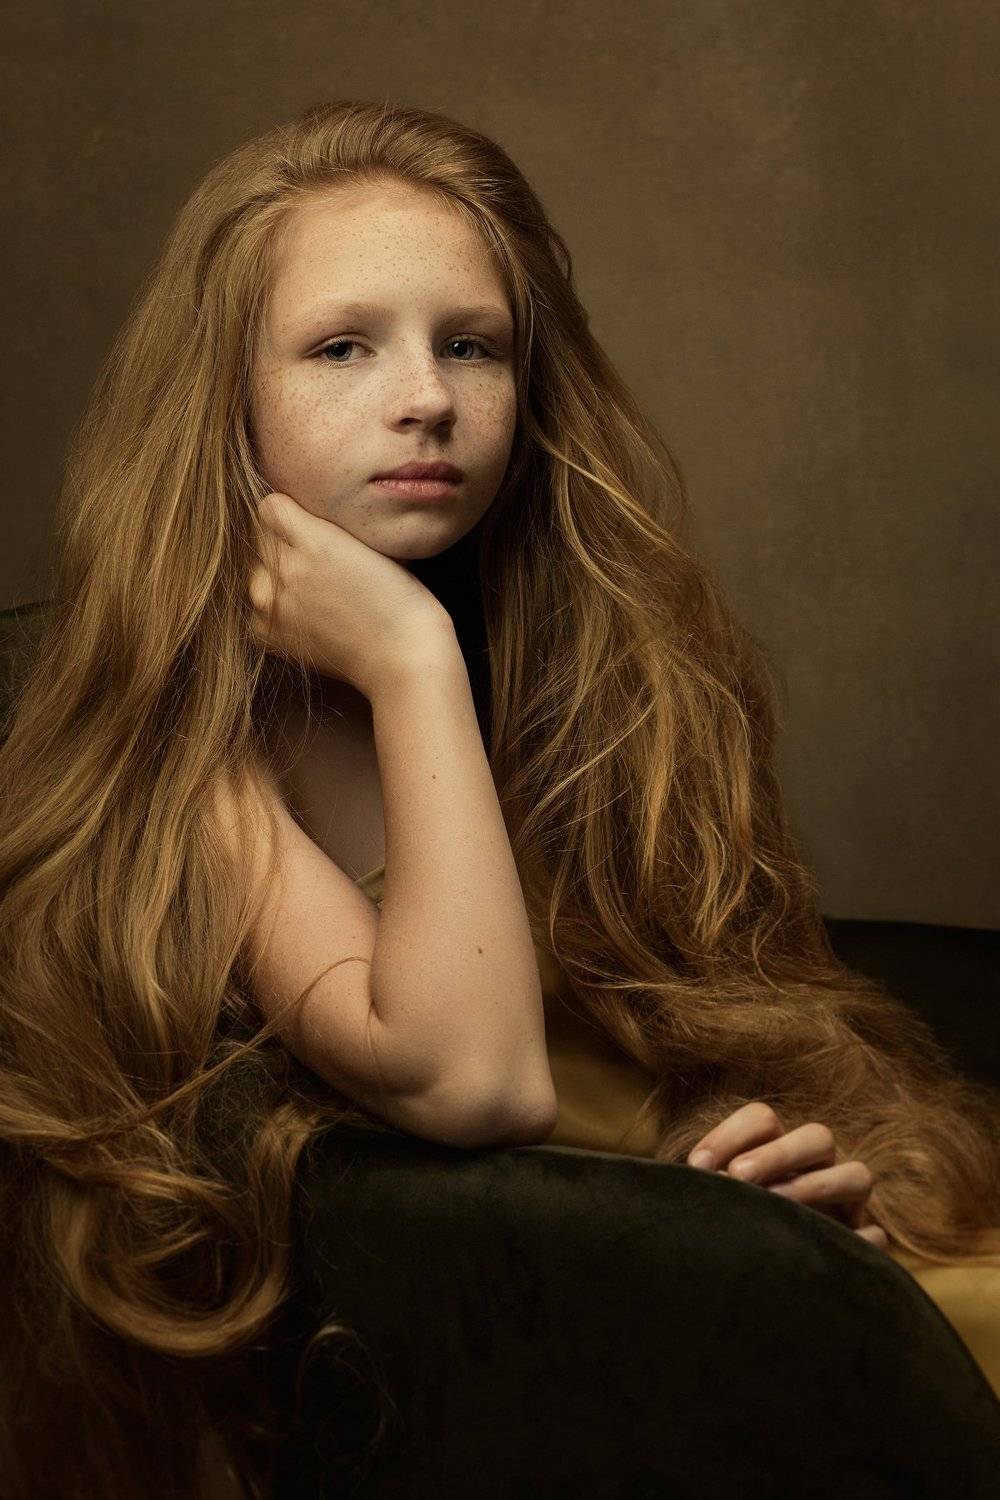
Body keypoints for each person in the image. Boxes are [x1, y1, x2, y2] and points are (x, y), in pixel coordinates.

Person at [0, 99, 997, 1500]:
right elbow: (472, 1081)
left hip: (727, 1295)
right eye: (342, 348)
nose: (427, 397)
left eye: (472, 345)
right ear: (220, 400)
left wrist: (771, 1214)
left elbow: (692, 1056)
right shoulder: (185, 755)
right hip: (521, 1386)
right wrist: (408, 662)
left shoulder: (595, 674)